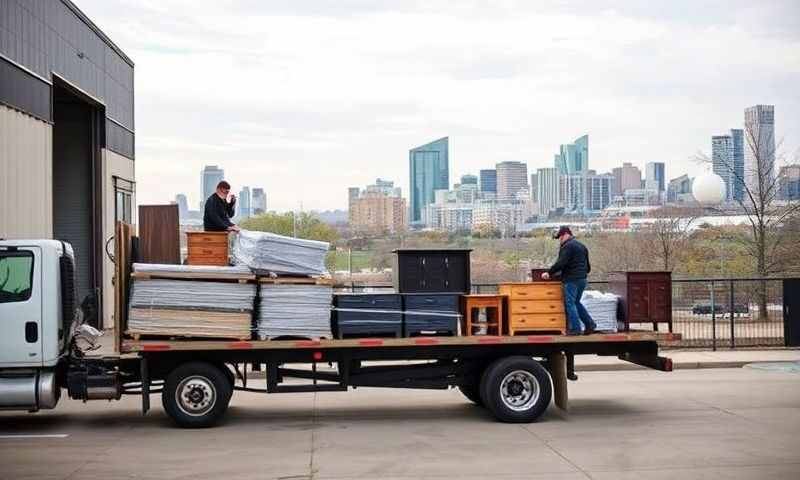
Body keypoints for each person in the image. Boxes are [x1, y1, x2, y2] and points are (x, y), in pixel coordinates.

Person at [541, 226, 597, 336]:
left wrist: (549, 272)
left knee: (570, 303)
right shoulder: (581, 246)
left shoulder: (567, 246)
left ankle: (576, 329)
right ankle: (590, 324)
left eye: (560, 237)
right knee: (576, 302)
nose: (560, 240)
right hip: (582, 278)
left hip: (571, 279)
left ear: (566, 234)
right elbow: (588, 266)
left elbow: (561, 263)